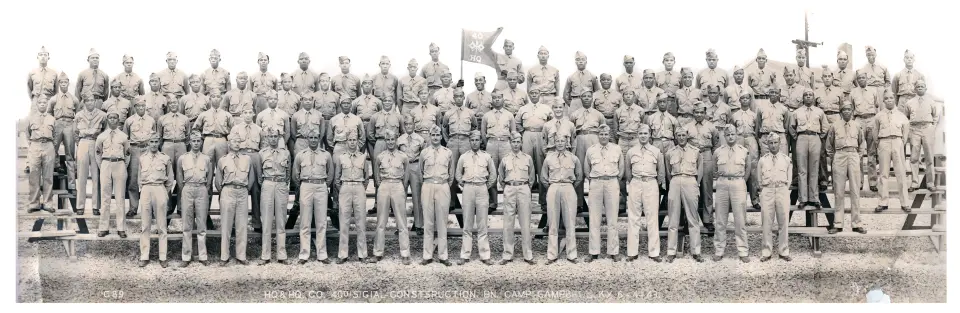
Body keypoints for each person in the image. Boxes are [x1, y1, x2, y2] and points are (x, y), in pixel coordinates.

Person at [583, 124, 624, 262]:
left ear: (609, 135)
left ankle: (613, 251)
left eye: (606, 134)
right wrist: (595, 180)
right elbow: (586, 169)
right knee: (594, 219)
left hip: (612, 182)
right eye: (601, 134)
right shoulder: (591, 150)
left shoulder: (617, 149)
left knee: (612, 219)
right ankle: (593, 251)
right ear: (598, 135)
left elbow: (621, 169)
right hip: (596, 182)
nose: (603, 136)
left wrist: (613, 180)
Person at [292, 128, 334, 264]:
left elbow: (330, 174)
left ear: (319, 139)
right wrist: (304, 185)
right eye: (311, 138)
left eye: (316, 137)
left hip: (321, 186)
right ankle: (304, 254)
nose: (314, 140)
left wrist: (323, 185)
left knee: (321, 222)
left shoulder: (326, 155)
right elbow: (295, 175)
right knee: (305, 221)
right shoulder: (301, 155)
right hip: (306, 186)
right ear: (307, 139)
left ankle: (322, 254)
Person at [455, 131, 497, 265]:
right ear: (469, 141)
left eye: (477, 140)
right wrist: (465, 185)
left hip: (482, 188)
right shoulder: (463, 157)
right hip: (468, 189)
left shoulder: (486, 157)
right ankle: (465, 254)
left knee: (482, 223)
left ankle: (485, 255)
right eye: (472, 140)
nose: (474, 142)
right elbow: (458, 174)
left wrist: (485, 186)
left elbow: (493, 175)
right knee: (467, 223)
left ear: (480, 141)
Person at [625, 124, 665, 262]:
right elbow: (628, 172)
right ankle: (632, 252)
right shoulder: (631, 152)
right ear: (637, 135)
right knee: (633, 217)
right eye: (641, 133)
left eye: (645, 133)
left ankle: (654, 252)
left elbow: (661, 172)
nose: (643, 136)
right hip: (636, 182)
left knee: (652, 218)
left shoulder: (656, 151)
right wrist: (634, 182)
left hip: (651, 183)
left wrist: (653, 184)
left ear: (650, 135)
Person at [825, 103, 867, 234]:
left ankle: (856, 223)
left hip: (853, 155)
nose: (847, 112)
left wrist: (857, 156)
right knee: (839, 191)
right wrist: (835, 157)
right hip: (839, 155)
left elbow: (862, 143)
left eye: (849, 109)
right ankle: (838, 223)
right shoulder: (834, 126)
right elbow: (829, 145)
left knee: (855, 190)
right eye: (844, 110)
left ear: (852, 112)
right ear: (841, 112)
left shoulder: (857, 125)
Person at [712, 125, 752, 263]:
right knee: (720, 219)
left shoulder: (743, 151)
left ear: (736, 135)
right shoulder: (718, 152)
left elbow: (748, 169)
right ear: (724, 136)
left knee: (740, 219)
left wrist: (741, 181)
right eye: (728, 134)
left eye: (732, 134)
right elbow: (714, 169)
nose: (730, 137)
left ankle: (743, 251)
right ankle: (719, 250)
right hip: (722, 184)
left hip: (738, 183)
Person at [372, 129, 412, 265]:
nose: (390, 142)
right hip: (384, 185)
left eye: (392, 139)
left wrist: (402, 185)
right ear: (385, 141)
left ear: (396, 140)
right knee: (381, 222)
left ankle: (405, 253)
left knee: (401, 221)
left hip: (397, 185)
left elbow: (406, 175)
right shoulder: (380, 157)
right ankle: (378, 252)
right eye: (388, 140)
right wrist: (381, 184)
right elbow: (376, 175)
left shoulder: (403, 157)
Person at [541, 134, 582, 264]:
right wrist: (553, 187)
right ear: (554, 143)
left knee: (570, 222)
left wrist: (569, 186)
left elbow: (579, 176)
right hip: (553, 187)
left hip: (568, 187)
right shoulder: (549, 158)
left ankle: (572, 254)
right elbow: (543, 177)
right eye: (557, 141)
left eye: (562, 141)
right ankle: (552, 255)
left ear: (567, 143)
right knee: (553, 222)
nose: (560, 143)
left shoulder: (573, 158)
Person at [664, 127, 704, 263]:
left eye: (683, 135)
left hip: (690, 180)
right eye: (679, 135)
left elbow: (700, 169)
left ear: (687, 136)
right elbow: (668, 172)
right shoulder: (670, 152)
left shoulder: (696, 151)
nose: (681, 138)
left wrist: (695, 184)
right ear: (676, 137)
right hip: (675, 181)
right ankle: (671, 251)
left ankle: (696, 251)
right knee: (673, 218)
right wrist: (674, 181)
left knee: (693, 218)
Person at [136, 132, 175, 268]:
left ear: (159, 143)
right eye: (151, 142)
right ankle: (144, 256)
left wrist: (164, 193)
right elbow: (139, 177)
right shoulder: (142, 158)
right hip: (146, 189)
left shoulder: (165, 158)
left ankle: (163, 256)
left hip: (159, 188)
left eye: (156, 142)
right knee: (145, 225)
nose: (153, 144)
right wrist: (143, 190)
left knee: (162, 226)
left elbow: (170, 179)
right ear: (148, 143)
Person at [215, 135, 255, 266]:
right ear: (229, 143)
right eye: (234, 141)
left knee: (242, 225)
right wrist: (226, 191)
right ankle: (224, 256)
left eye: (239, 141)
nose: (237, 144)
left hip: (242, 192)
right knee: (226, 225)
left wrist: (244, 189)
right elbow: (218, 181)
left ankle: (241, 256)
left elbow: (251, 178)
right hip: (228, 191)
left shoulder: (247, 159)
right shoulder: (223, 160)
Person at [498, 132, 536, 265]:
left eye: (518, 142)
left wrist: (524, 187)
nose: (515, 144)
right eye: (513, 142)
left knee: (525, 222)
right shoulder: (505, 159)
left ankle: (528, 255)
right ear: (510, 143)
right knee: (508, 223)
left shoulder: (527, 158)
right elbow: (501, 177)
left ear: (521, 143)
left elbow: (532, 177)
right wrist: (508, 187)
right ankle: (508, 254)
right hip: (509, 188)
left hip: (523, 188)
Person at [177, 131, 214, 266]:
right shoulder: (182, 158)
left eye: (198, 141)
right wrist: (186, 188)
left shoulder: (206, 159)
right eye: (194, 141)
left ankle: (202, 256)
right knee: (187, 225)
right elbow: (179, 176)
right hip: (188, 189)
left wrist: (204, 188)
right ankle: (186, 256)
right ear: (190, 142)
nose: (196, 143)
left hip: (201, 189)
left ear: (201, 142)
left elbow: (209, 177)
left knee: (201, 224)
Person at [420, 126, 455, 266]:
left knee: (442, 222)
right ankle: (427, 255)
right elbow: (420, 171)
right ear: (430, 136)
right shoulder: (424, 153)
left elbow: (451, 174)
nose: (435, 137)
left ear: (441, 136)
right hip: (428, 185)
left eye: (437, 135)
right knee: (428, 222)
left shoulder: (448, 152)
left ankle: (443, 255)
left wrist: (443, 184)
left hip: (442, 186)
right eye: (433, 135)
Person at [789, 88, 829, 210]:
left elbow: (825, 127)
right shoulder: (797, 112)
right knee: (802, 170)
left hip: (814, 137)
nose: (808, 96)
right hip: (801, 138)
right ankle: (803, 199)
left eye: (810, 95)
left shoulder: (819, 112)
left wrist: (819, 137)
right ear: (803, 98)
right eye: (805, 95)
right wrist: (798, 137)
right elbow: (791, 127)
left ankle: (814, 198)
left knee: (814, 169)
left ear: (813, 97)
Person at [514, 88, 552, 216]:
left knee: (542, 166)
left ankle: (543, 201)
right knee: (526, 166)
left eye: (536, 93)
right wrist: (523, 133)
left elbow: (551, 122)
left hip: (541, 135)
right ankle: (525, 201)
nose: (534, 95)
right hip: (527, 134)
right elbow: (517, 122)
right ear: (529, 95)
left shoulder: (546, 108)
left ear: (540, 94)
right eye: (532, 93)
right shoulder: (523, 109)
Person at [335, 132, 370, 263]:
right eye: (350, 140)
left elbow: (366, 178)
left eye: (354, 140)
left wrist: (360, 188)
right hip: (345, 187)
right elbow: (337, 178)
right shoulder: (341, 157)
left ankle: (363, 254)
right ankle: (343, 254)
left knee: (361, 222)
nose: (352, 142)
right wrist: (343, 189)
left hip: (359, 187)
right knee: (344, 222)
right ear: (346, 142)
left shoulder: (363, 157)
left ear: (357, 142)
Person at [257, 128, 291, 265]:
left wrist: (282, 183)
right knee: (266, 221)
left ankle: (281, 255)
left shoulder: (286, 153)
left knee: (281, 221)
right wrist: (268, 183)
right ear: (267, 138)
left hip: (281, 185)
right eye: (270, 136)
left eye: (275, 136)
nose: (273, 139)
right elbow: (259, 175)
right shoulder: (262, 153)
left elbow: (288, 173)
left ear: (279, 138)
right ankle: (265, 255)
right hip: (268, 184)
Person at [95, 108, 130, 237]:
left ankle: (121, 228)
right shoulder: (102, 136)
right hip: (106, 164)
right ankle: (103, 227)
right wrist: (103, 165)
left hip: (119, 164)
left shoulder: (123, 136)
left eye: (115, 118)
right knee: (105, 198)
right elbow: (98, 153)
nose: (113, 120)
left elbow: (128, 153)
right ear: (107, 119)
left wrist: (122, 165)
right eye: (110, 118)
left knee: (120, 198)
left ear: (118, 120)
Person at [758, 133, 792, 262]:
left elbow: (789, 179)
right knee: (767, 222)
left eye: (775, 142)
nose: (773, 145)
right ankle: (766, 251)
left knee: (783, 222)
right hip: (768, 191)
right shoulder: (763, 160)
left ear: (780, 143)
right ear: (767, 144)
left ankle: (784, 250)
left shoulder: (786, 159)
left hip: (782, 190)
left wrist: (783, 188)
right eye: (771, 143)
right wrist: (766, 189)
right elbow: (759, 180)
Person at [874, 91, 910, 213]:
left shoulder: (901, 115)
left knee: (901, 173)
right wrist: (880, 143)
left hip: (897, 142)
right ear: (883, 101)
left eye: (891, 98)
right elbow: (875, 132)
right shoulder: (878, 116)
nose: (889, 100)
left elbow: (905, 132)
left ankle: (905, 203)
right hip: (884, 142)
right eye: (886, 98)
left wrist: (900, 143)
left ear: (894, 99)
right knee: (883, 174)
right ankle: (883, 202)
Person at [685, 105, 719, 232]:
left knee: (707, 188)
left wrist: (712, 158)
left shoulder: (711, 127)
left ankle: (708, 219)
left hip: (706, 154)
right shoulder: (687, 127)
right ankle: (689, 219)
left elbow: (716, 144)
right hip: (692, 155)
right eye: (696, 112)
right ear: (693, 113)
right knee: (690, 187)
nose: (699, 114)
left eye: (701, 112)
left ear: (705, 113)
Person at [570, 91, 605, 212]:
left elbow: (603, 130)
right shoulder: (575, 114)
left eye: (589, 96)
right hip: (580, 139)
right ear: (580, 98)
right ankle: (579, 203)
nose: (586, 98)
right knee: (579, 170)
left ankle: (595, 203)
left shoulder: (598, 114)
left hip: (594, 140)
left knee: (594, 170)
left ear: (592, 98)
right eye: (584, 96)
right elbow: (571, 131)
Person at [481, 90, 516, 212]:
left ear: (503, 99)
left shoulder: (509, 115)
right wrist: (489, 144)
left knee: (508, 172)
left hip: (505, 144)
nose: (497, 99)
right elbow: (483, 133)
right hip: (491, 144)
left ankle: (509, 201)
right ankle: (493, 202)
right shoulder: (487, 116)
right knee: (491, 173)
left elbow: (513, 132)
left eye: (499, 97)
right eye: (494, 97)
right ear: (492, 100)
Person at [229, 108, 264, 231]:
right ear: (241, 114)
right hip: (241, 156)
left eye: (250, 112)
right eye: (245, 112)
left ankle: (257, 222)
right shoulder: (236, 129)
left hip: (255, 156)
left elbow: (263, 147)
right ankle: (235, 223)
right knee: (237, 187)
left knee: (256, 190)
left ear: (254, 114)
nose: (248, 115)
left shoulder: (259, 129)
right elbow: (231, 146)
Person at [124, 99, 158, 218]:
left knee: (149, 177)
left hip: (147, 149)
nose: (141, 108)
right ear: (135, 107)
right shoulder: (129, 121)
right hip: (134, 149)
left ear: (145, 106)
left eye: (143, 105)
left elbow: (154, 136)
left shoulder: (151, 120)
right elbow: (125, 138)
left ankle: (151, 208)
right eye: (138, 106)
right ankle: (133, 208)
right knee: (133, 180)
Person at [905, 80, 940, 192]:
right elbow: (907, 117)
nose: (920, 88)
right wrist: (910, 129)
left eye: (922, 86)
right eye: (918, 86)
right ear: (915, 89)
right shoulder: (909, 102)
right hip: (914, 129)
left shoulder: (931, 102)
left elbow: (936, 116)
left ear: (925, 89)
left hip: (927, 129)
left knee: (929, 157)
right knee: (914, 157)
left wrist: (932, 127)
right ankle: (914, 183)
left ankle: (930, 183)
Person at [851, 72, 882, 192]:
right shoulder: (853, 92)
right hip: (859, 120)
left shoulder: (873, 91)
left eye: (863, 77)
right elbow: (851, 109)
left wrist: (876, 122)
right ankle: (859, 182)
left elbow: (878, 107)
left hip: (871, 119)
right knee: (858, 153)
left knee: (871, 153)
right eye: (859, 78)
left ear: (867, 78)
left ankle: (873, 182)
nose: (861, 80)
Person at [158, 100, 190, 217]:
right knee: (166, 176)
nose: (173, 105)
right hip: (167, 144)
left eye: (175, 103)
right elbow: (159, 136)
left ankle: (181, 206)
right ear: (168, 105)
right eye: (171, 103)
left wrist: (183, 147)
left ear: (178, 104)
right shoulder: (162, 119)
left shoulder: (185, 119)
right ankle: (168, 205)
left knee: (182, 176)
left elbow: (188, 136)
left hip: (181, 145)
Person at [26, 97, 57, 214]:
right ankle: (34, 203)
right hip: (35, 146)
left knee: (48, 176)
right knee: (34, 176)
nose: (42, 104)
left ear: (47, 104)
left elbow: (55, 135)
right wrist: (33, 145)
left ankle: (48, 203)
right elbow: (28, 134)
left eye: (44, 102)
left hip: (48, 146)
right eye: (40, 102)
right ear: (37, 104)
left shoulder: (52, 119)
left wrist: (51, 146)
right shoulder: (30, 118)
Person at [76, 96, 106, 215]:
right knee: (81, 176)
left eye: (92, 100)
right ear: (84, 102)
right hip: (83, 142)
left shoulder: (102, 115)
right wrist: (79, 142)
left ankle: (95, 206)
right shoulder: (79, 115)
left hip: (95, 142)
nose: (90, 102)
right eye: (87, 100)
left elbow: (104, 131)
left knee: (96, 176)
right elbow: (75, 131)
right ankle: (80, 206)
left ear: (95, 101)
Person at [49, 72, 80, 191]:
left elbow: (78, 115)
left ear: (68, 83)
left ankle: (72, 185)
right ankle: (55, 171)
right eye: (61, 82)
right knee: (52, 150)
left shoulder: (74, 99)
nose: (63, 84)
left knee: (70, 155)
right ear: (59, 84)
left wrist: (75, 127)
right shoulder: (53, 99)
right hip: (57, 124)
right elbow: (49, 114)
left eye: (65, 82)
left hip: (69, 124)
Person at [731, 91, 760, 210]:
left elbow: (757, 130)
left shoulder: (754, 115)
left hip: (751, 138)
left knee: (753, 169)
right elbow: (732, 129)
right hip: (739, 139)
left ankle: (755, 199)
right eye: (742, 98)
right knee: (739, 168)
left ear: (750, 100)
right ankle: (738, 199)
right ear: (739, 100)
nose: (745, 100)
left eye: (747, 98)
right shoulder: (735, 115)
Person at [398, 116, 426, 235]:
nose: (409, 126)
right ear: (404, 126)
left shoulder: (420, 139)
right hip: (403, 168)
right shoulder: (399, 139)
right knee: (401, 197)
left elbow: (423, 155)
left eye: (410, 124)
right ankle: (400, 226)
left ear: (414, 125)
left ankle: (419, 225)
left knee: (417, 197)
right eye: (406, 124)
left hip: (415, 166)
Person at [28, 46, 59, 113]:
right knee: (34, 119)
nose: (43, 57)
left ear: (48, 57)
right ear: (37, 57)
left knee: (49, 119)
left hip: (49, 102)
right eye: (41, 55)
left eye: (45, 55)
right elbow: (29, 88)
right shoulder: (32, 73)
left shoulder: (54, 73)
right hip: (36, 102)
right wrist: (34, 99)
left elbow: (56, 91)